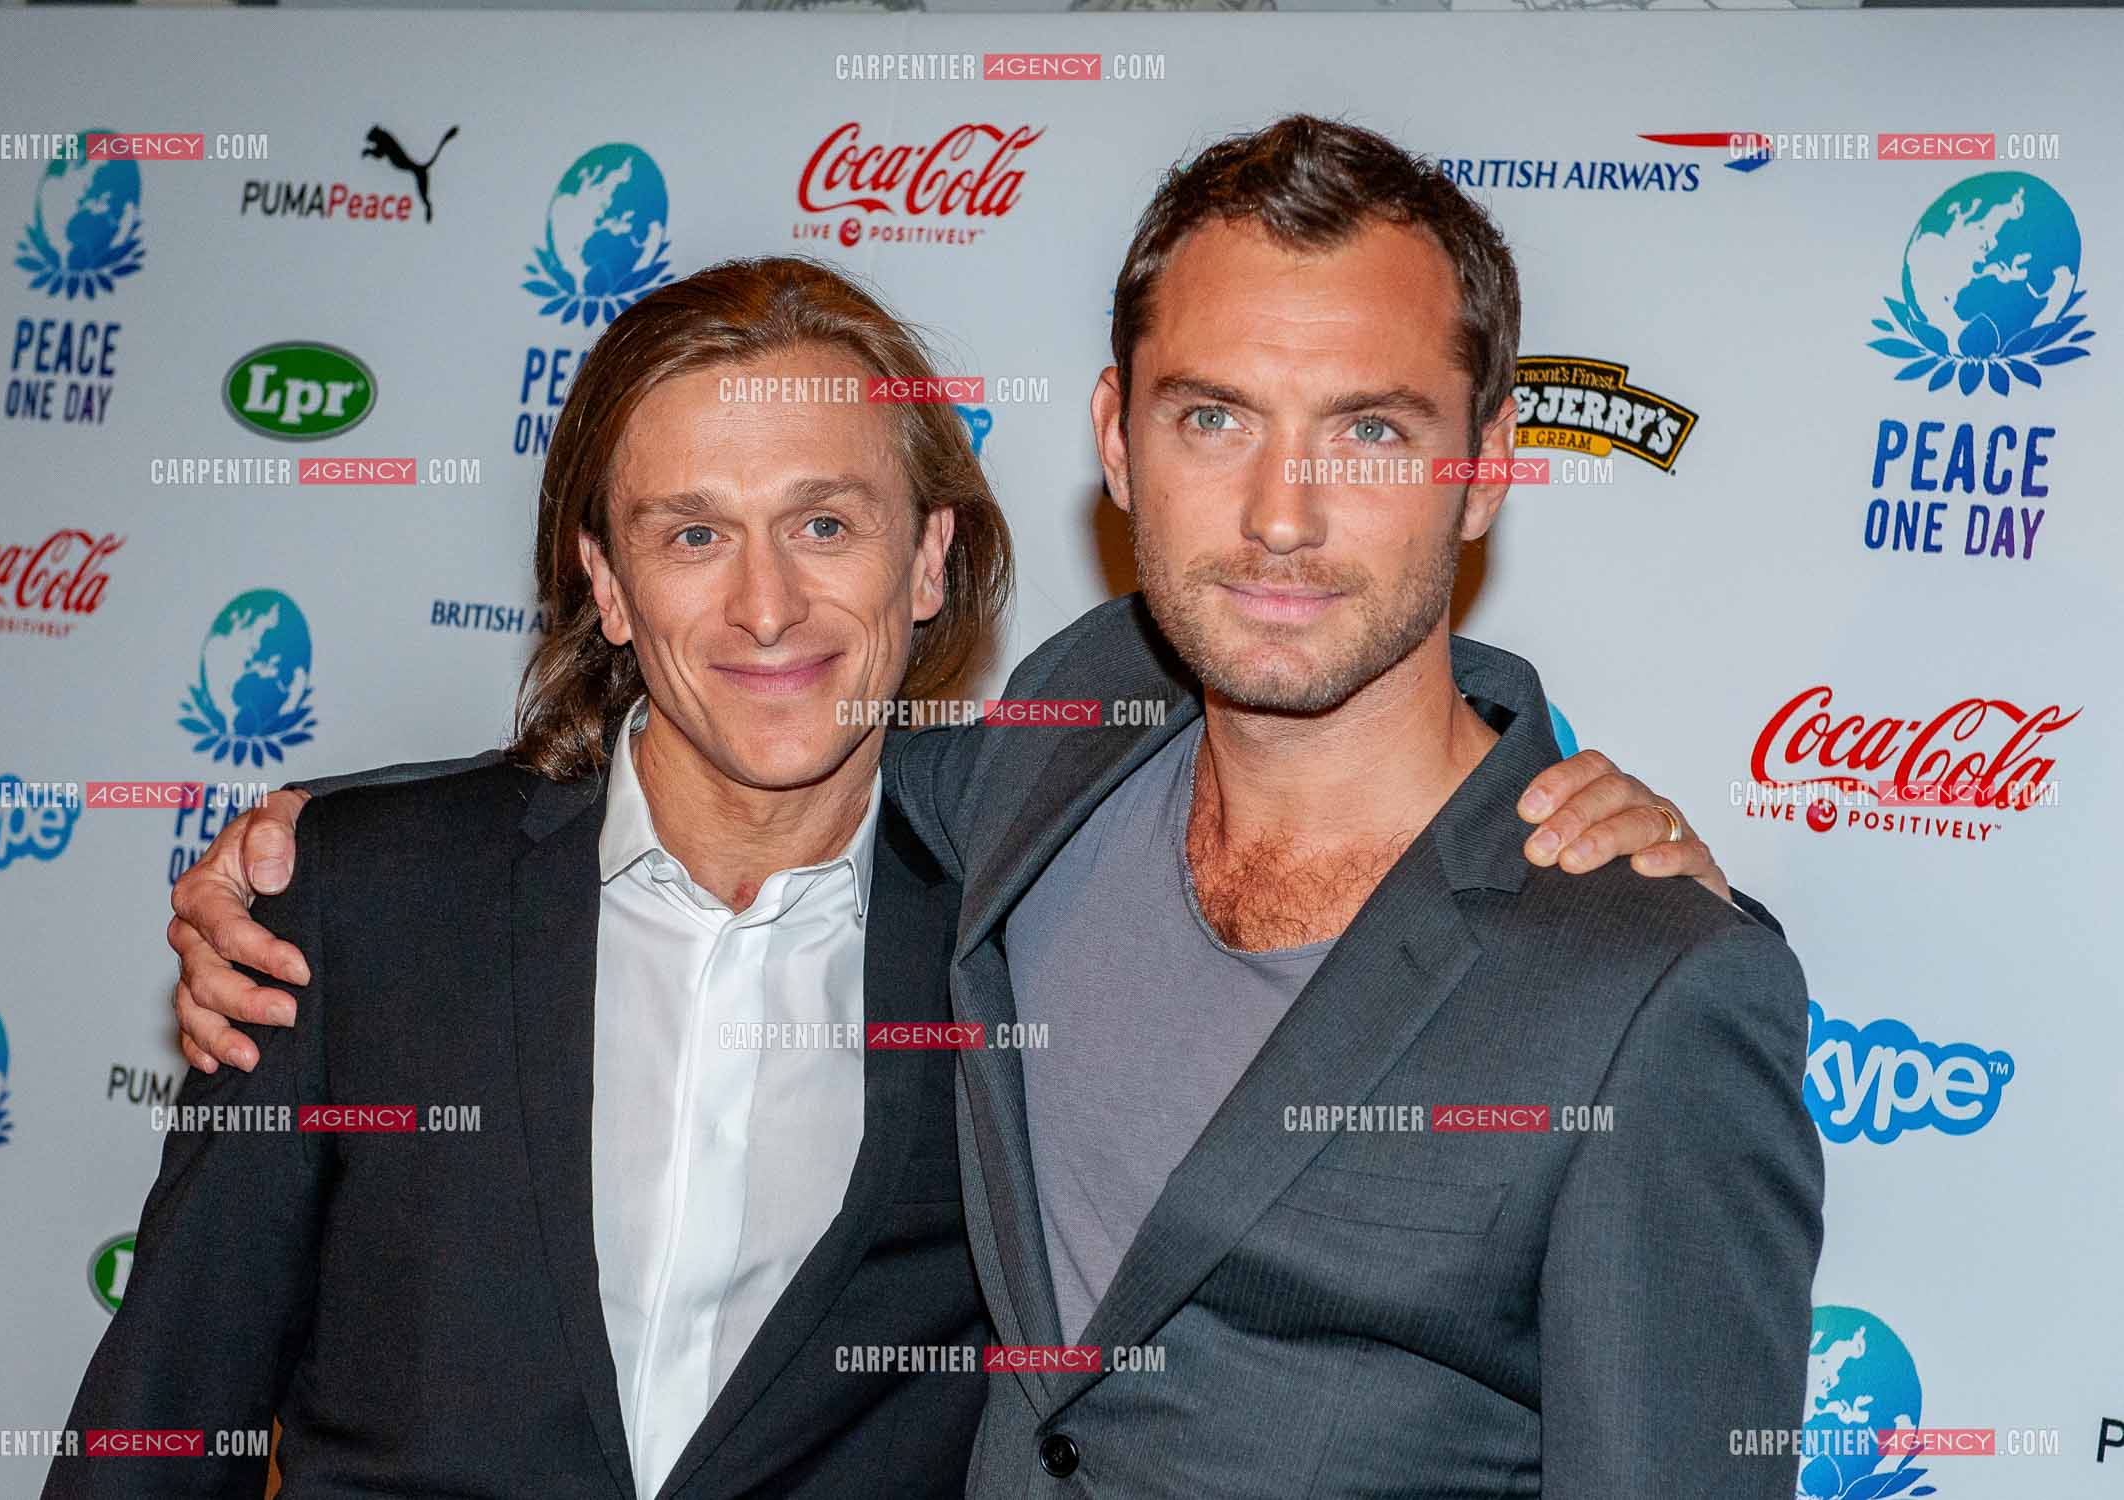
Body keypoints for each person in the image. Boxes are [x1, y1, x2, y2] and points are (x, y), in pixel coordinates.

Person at [157, 133, 1781, 1497]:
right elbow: (720, 730)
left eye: (1368, 431)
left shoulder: (1640, 991)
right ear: (1115, 445)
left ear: (1484, 467)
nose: (1280, 515)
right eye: (1212, 418)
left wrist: (1674, 922)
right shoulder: (1037, 766)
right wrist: (310, 838)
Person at [48, 258, 1008, 1499]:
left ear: (927, 559)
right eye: (693, 535)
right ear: (607, 582)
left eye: (825, 524)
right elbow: (163, 1422)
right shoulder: (357, 904)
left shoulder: (1022, 928)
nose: (765, 606)